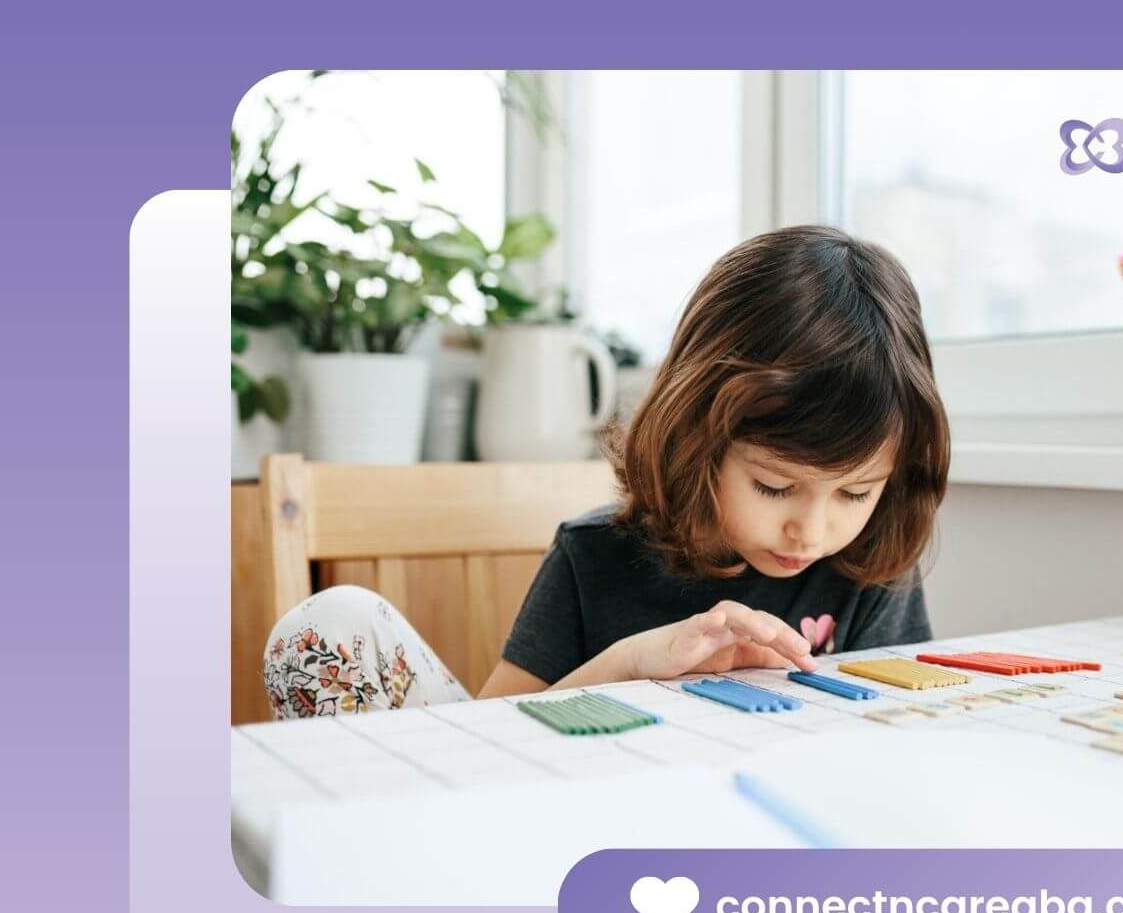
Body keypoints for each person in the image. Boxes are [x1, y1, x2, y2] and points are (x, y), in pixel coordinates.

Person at [262, 225, 950, 718]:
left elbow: (901, 734)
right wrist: (630, 662)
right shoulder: (593, 557)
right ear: (697, 436)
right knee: (334, 622)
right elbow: (487, 739)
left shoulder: (870, 567)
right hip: (572, 828)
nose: (812, 528)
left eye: (856, 492)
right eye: (773, 486)